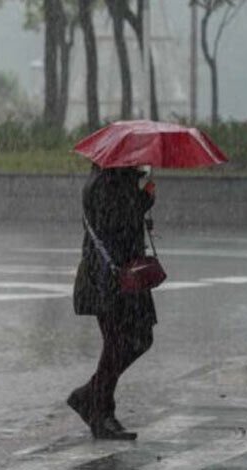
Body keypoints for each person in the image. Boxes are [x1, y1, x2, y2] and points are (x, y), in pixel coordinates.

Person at [68, 165, 157, 440]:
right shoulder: (107, 182)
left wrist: (139, 199)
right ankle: (100, 410)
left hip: (122, 274)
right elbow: (114, 224)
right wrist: (143, 200)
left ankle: (92, 398)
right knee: (119, 343)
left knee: (136, 339)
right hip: (110, 276)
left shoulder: (115, 178)